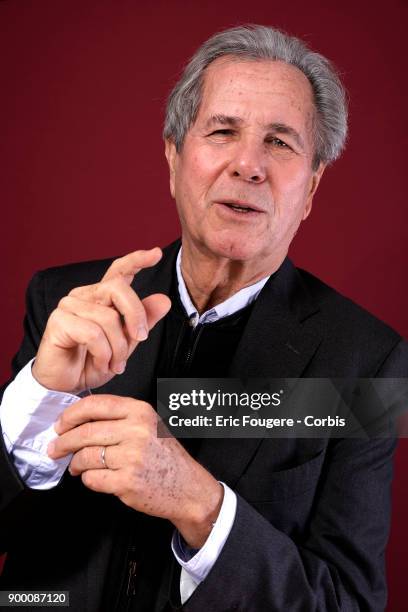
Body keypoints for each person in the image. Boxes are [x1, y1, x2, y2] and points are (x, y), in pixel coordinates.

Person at [0, 24, 406, 612]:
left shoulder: (371, 364)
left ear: (312, 188)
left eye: (280, 143)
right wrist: (38, 395)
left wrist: (202, 507)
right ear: (173, 157)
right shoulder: (63, 299)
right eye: (222, 131)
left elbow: (348, 602)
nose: (249, 166)